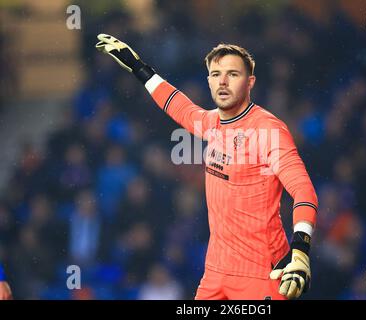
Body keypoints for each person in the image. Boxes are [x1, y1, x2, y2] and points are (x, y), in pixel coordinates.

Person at [95, 34, 318, 300]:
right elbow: (178, 106)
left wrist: (301, 250)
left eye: (232, 74)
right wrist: (139, 67)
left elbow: (304, 190)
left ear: (250, 82)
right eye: (215, 74)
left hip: (261, 273)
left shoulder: (268, 130)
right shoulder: (212, 123)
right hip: (216, 271)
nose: (222, 82)